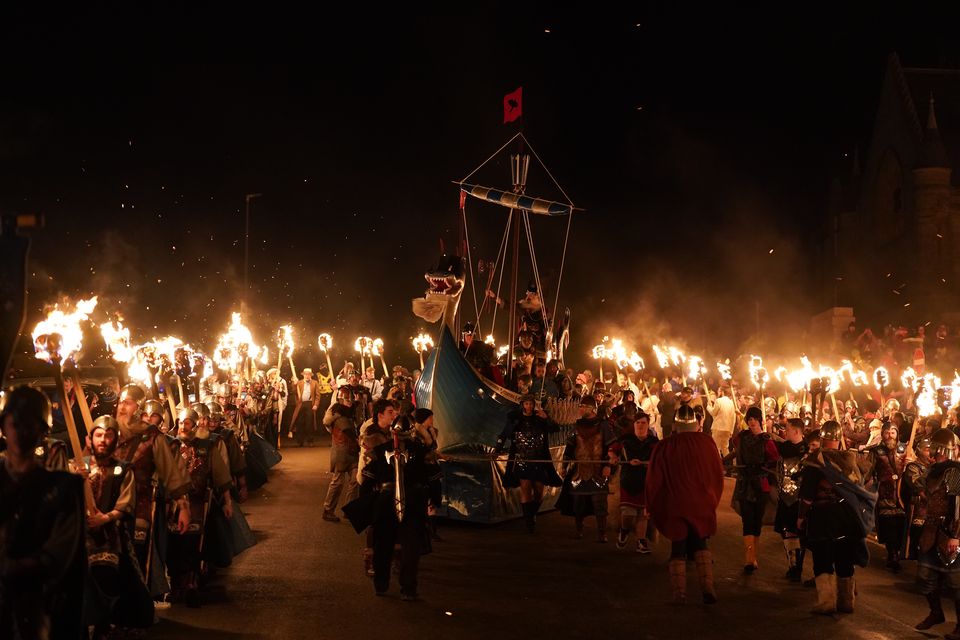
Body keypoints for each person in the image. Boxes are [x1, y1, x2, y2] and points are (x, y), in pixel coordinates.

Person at [0, 385, 86, 639]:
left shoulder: (61, 488)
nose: (21, 432)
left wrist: (17, 566)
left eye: (30, 424)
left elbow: (61, 551)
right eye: (15, 423)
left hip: (38, 599)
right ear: (4, 427)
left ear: (42, 431)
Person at [113, 383, 192, 598]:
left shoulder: (152, 437)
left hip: (139, 508)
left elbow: (171, 473)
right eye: (120, 402)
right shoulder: (107, 432)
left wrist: (183, 506)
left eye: (127, 403)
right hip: (108, 508)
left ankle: (138, 612)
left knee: (137, 561)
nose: (121, 407)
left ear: (138, 408)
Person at [646, 404, 724, 605]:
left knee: (678, 547)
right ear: (696, 424)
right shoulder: (707, 443)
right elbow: (717, 473)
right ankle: (708, 587)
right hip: (701, 503)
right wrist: (711, 499)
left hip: (676, 504)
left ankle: (679, 593)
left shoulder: (665, 446)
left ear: (675, 424)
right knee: (700, 543)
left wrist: (653, 504)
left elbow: (655, 480)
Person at [83, 415, 153, 638]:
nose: (103, 440)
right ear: (90, 439)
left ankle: (106, 623)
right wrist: (75, 481)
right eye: (99, 435)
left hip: (110, 537)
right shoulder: (77, 467)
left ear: (115, 440)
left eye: (108, 435)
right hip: (80, 538)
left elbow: (125, 504)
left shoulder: (123, 470)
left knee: (106, 574)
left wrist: (104, 519)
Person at [797, 421, 875, 615]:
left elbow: (807, 495)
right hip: (848, 516)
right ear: (839, 439)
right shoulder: (851, 461)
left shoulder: (816, 461)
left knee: (823, 557)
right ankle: (847, 602)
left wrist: (801, 516)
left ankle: (827, 601)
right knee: (844, 557)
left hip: (824, 516)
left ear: (823, 438)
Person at [360, 400, 432, 600]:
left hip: (388, 501)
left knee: (386, 545)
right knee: (407, 547)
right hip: (411, 502)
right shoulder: (418, 451)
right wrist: (432, 499)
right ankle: (406, 588)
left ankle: (383, 585)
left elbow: (368, 480)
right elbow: (432, 477)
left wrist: (367, 503)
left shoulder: (382, 450)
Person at [168, 407, 233, 607]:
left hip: (198, 503)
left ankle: (192, 581)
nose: (182, 427)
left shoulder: (207, 446)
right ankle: (176, 582)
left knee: (194, 542)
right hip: (173, 504)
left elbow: (220, 474)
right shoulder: (170, 446)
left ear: (195, 425)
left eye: (187, 423)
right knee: (173, 542)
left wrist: (227, 500)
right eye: (180, 422)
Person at [494, 394, 563, 533]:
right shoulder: (515, 419)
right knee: (525, 489)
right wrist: (497, 450)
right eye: (526, 404)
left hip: (539, 459)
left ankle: (532, 514)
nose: (529, 406)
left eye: (531, 404)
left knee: (538, 492)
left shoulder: (541, 418)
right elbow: (504, 434)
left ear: (534, 404)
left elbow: (556, 429)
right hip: (522, 459)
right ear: (522, 405)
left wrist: (547, 419)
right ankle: (529, 522)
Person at [915, 429, 960, 635]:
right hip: (930, 529)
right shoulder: (933, 470)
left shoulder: (954, 472)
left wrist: (955, 535)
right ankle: (936, 612)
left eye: (935, 447)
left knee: (955, 583)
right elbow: (920, 486)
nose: (932, 451)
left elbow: (958, 504)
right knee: (925, 575)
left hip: (949, 531)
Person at [731, 406, 780, 574]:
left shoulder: (767, 440)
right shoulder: (741, 438)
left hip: (761, 485)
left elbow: (775, 460)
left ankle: (753, 557)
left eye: (754, 419)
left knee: (756, 522)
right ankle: (749, 559)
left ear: (760, 420)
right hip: (745, 484)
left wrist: (763, 465)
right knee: (747, 521)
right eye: (749, 419)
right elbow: (734, 444)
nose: (751, 422)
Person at [560, 396, 614, 542]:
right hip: (580, 470)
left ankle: (602, 533)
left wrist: (608, 465)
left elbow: (611, 448)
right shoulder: (576, 425)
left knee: (599, 504)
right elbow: (570, 447)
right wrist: (564, 466)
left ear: (591, 408)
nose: (580, 409)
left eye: (583, 406)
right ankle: (579, 531)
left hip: (598, 469)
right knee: (578, 504)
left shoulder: (603, 425)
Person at [610, 411, 658, 553]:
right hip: (628, 479)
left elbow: (660, 458)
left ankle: (641, 541)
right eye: (638, 422)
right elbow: (612, 450)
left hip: (646, 481)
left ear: (648, 425)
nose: (640, 425)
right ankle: (624, 531)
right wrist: (613, 457)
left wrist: (647, 463)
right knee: (628, 513)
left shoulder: (654, 443)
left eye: (643, 423)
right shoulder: (625, 439)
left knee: (642, 514)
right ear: (634, 424)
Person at [863, 422, 906, 571]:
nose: (890, 435)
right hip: (885, 493)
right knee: (888, 524)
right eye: (887, 433)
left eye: (893, 432)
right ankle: (892, 553)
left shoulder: (905, 449)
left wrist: (911, 463)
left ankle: (898, 551)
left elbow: (914, 469)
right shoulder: (876, 451)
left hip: (901, 495)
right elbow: (868, 470)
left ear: (897, 434)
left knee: (900, 524)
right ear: (882, 434)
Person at [773, 417, 809, 582]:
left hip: (801, 499)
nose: (784, 431)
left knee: (802, 534)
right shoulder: (782, 448)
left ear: (796, 431)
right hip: (785, 497)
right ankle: (793, 565)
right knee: (787, 532)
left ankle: (799, 566)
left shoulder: (807, 449)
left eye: (787, 429)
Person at [322, 387, 360, 522]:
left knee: (356, 480)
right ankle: (328, 510)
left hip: (352, 452)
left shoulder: (351, 414)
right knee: (337, 482)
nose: (349, 402)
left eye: (350, 400)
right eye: (347, 400)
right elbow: (348, 431)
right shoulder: (338, 415)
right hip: (341, 452)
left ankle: (349, 509)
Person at [902, 434, 933, 562]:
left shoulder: (933, 467)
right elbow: (916, 483)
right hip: (917, 506)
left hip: (931, 507)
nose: (930, 452)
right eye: (927, 449)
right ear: (919, 451)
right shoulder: (913, 467)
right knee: (916, 532)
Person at [708, 386, 737, 455]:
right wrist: (731, 430)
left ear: (722, 392)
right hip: (727, 429)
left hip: (718, 428)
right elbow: (734, 418)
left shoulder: (719, 400)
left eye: (719, 391)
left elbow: (713, 412)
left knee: (716, 447)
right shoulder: (732, 403)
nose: (718, 393)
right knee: (725, 448)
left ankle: (718, 464)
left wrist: (708, 407)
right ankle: (728, 463)